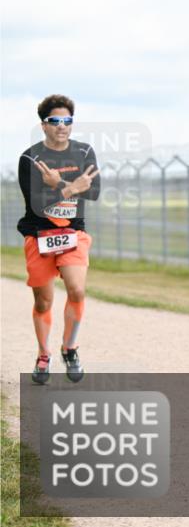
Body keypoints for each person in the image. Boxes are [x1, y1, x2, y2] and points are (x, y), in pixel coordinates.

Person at [18, 94, 101, 385]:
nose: (62, 125)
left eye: (67, 120)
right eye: (55, 121)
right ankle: (44, 353)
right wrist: (69, 188)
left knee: (76, 290)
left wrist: (59, 184)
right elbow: (38, 204)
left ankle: (70, 348)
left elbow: (93, 192)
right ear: (44, 125)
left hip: (73, 233)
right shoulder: (30, 158)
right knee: (44, 301)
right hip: (38, 234)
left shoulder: (84, 152)